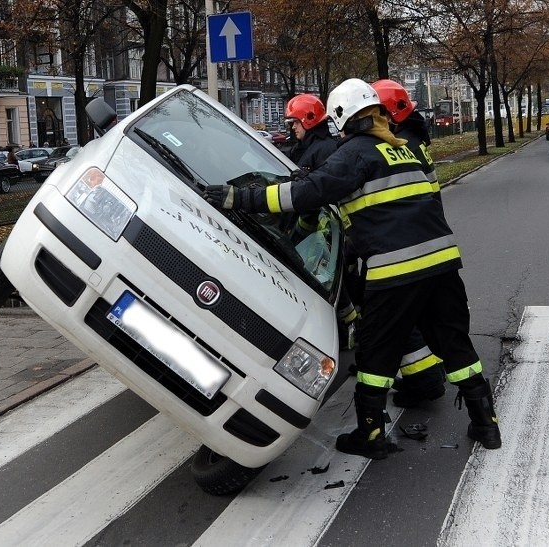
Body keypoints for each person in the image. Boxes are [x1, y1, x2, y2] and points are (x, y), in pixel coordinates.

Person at [204, 78, 501, 459]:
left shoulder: (355, 153)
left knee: (376, 352)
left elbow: (304, 195)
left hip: (395, 270)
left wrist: (239, 197)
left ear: (341, 116)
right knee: (456, 345)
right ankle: (486, 424)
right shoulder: (407, 149)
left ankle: (371, 435)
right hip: (442, 263)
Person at [371, 78, 446, 407]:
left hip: (409, 237)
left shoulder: (404, 144)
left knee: (403, 313)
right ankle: (433, 365)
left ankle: (426, 376)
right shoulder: (417, 137)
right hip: (429, 232)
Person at [284, 94, 357, 350]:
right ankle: (351, 331)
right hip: (319, 229)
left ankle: (351, 333)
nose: (292, 128)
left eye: (295, 122)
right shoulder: (307, 148)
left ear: (308, 119)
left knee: (335, 286)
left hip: (327, 231)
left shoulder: (324, 149)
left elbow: (320, 190)